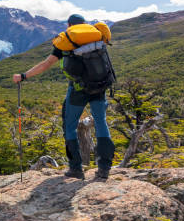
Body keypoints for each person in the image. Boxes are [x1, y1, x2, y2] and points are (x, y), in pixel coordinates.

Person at [13, 13, 115, 180]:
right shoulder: (98, 35)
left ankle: (76, 168)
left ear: (69, 26)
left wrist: (24, 76)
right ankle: (104, 168)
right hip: (100, 85)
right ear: (84, 23)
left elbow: (46, 64)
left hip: (77, 89)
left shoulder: (66, 41)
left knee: (70, 126)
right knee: (101, 122)